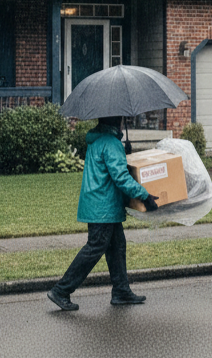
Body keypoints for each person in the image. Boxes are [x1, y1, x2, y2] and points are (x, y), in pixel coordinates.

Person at [47, 116, 158, 311]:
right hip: (103, 207)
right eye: (121, 119)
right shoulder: (111, 142)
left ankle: (121, 291)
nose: (123, 122)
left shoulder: (99, 139)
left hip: (100, 203)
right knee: (95, 248)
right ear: (116, 120)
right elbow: (121, 177)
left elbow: (108, 168)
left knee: (117, 247)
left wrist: (124, 153)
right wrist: (144, 195)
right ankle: (61, 290)